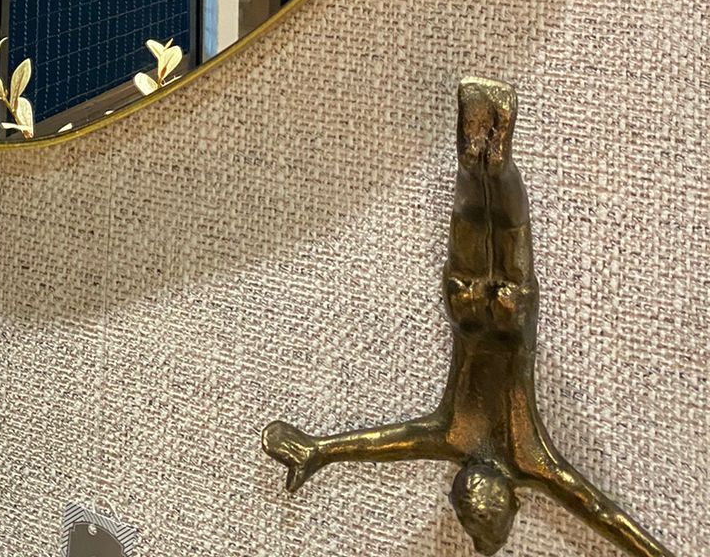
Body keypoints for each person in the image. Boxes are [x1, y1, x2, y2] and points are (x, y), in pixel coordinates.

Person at [262, 78, 673, 557]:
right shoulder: (510, 453)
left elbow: (383, 444)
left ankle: (488, 155)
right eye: (480, 515)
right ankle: (490, 157)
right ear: (511, 499)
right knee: (491, 226)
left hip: (492, 311)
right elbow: (602, 514)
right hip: (482, 310)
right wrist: (318, 450)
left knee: (484, 225)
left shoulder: (488, 448)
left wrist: (319, 449)